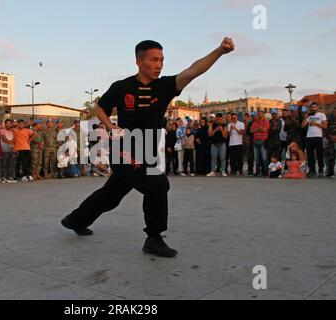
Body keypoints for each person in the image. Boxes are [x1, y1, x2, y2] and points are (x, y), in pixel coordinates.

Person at [61, 37, 235, 258]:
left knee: (110, 195)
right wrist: (110, 126)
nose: (159, 64)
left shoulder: (165, 86)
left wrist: (219, 51)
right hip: (124, 150)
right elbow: (100, 107)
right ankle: (153, 238)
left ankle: (76, 220)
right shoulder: (121, 87)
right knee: (157, 184)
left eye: (162, 60)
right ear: (139, 61)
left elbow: (193, 71)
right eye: (154, 60)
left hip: (148, 152)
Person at [302, 102, 328, 178]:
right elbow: (303, 126)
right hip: (309, 137)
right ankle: (312, 171)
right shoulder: (309, 116)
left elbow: (325, 126)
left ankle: (320, 171)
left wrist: (315, 124)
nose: (313, 108)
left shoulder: (321, 115)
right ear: (310, 108)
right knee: (310, 155)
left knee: (319, 154)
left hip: (318, 137)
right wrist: (305, 117)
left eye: (314, 107)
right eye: (312, 107)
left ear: (317, 107)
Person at [251, 110, 270, 176]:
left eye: (260, 113)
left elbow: (264, 130)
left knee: (264, 157)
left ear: (263, 114)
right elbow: (251, 130)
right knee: (256, 158)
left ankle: (265, 172)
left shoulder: (266, 121)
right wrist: (259, 129)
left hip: (263, 141)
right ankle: (257, 171)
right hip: (255, 141)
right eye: (258, 113)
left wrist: (257, 129)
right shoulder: (255, 122)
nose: (258, 115)